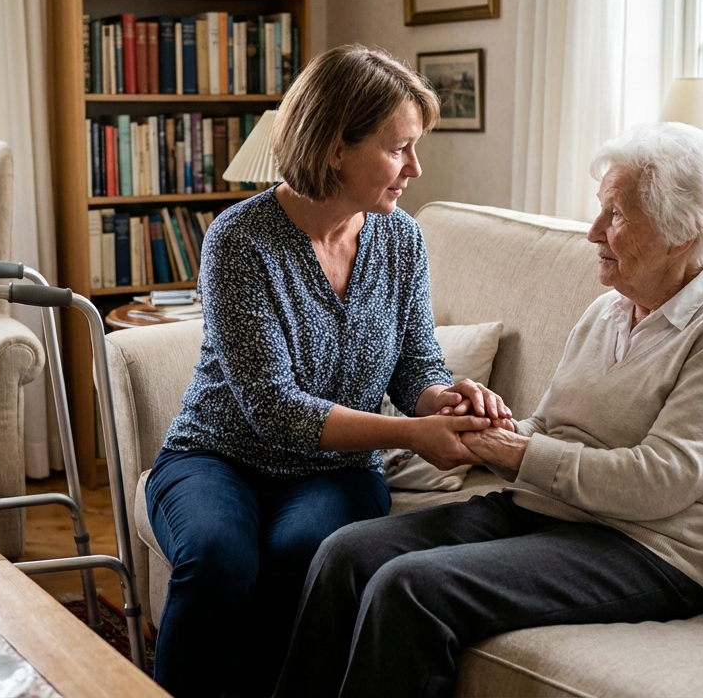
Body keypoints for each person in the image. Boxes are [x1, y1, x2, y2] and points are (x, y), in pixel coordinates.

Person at [275, 122, 703, 698]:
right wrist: (485, 427)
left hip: (650, 549)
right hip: (550, 509)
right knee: (347, 551)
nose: (592, 233)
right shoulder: (610, 310)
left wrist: (518, 450)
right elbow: (549, 429)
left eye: (615, 216)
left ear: (682, 235)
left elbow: (665, 480)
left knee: (410, 587)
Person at [144, 44, 511, 698]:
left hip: (337, 474)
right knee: (219, 560)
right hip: (217, 456)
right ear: (336, 147)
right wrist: (410, 436)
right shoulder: (239, 239)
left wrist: (446, 399)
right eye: (399, 148)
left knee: (304, 553)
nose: (415, 168)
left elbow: (414, 366)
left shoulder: (402, 241)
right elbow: (275, 408)